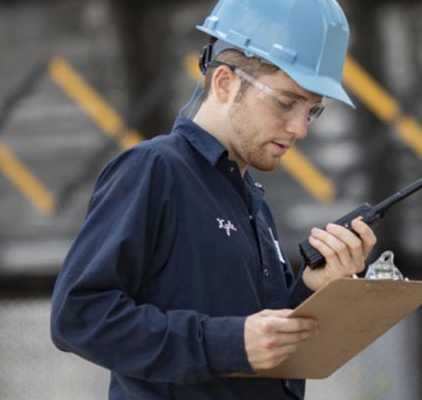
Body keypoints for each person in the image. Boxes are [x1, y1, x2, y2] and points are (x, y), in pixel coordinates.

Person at [50, 1, 372, 398]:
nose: (300, 128)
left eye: (313, 110)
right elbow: (79, 317)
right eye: (286, 102)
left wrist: (314, 287)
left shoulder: (249, 197)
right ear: (224, 83)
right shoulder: (154, 169)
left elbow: (260, 339)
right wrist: (227, 343)